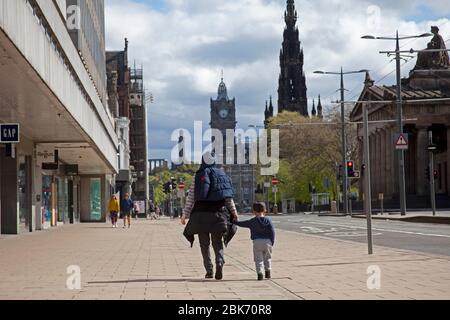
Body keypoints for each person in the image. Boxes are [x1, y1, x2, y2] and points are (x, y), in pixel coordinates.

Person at [182, 152, 238, 281]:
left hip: (200, 215)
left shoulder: (198, 175)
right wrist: (234, 213)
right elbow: (228, 198)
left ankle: (209, 270)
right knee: (217, 243)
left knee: (204, 244)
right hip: (218, 215)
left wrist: (185, 214)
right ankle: (219, 261)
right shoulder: (222, 175)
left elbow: (191, 197)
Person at [234, 202, 275, 281]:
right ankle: (268, 272)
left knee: (258, 259)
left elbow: (242, 224)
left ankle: (260, 274)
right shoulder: (268, 220)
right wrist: (272, 241)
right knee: (267, 257)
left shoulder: (252, 221)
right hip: (267, 241)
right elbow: (272, 231)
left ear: (254, 211)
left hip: (257, 241)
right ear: (265, 210)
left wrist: (235, 222)